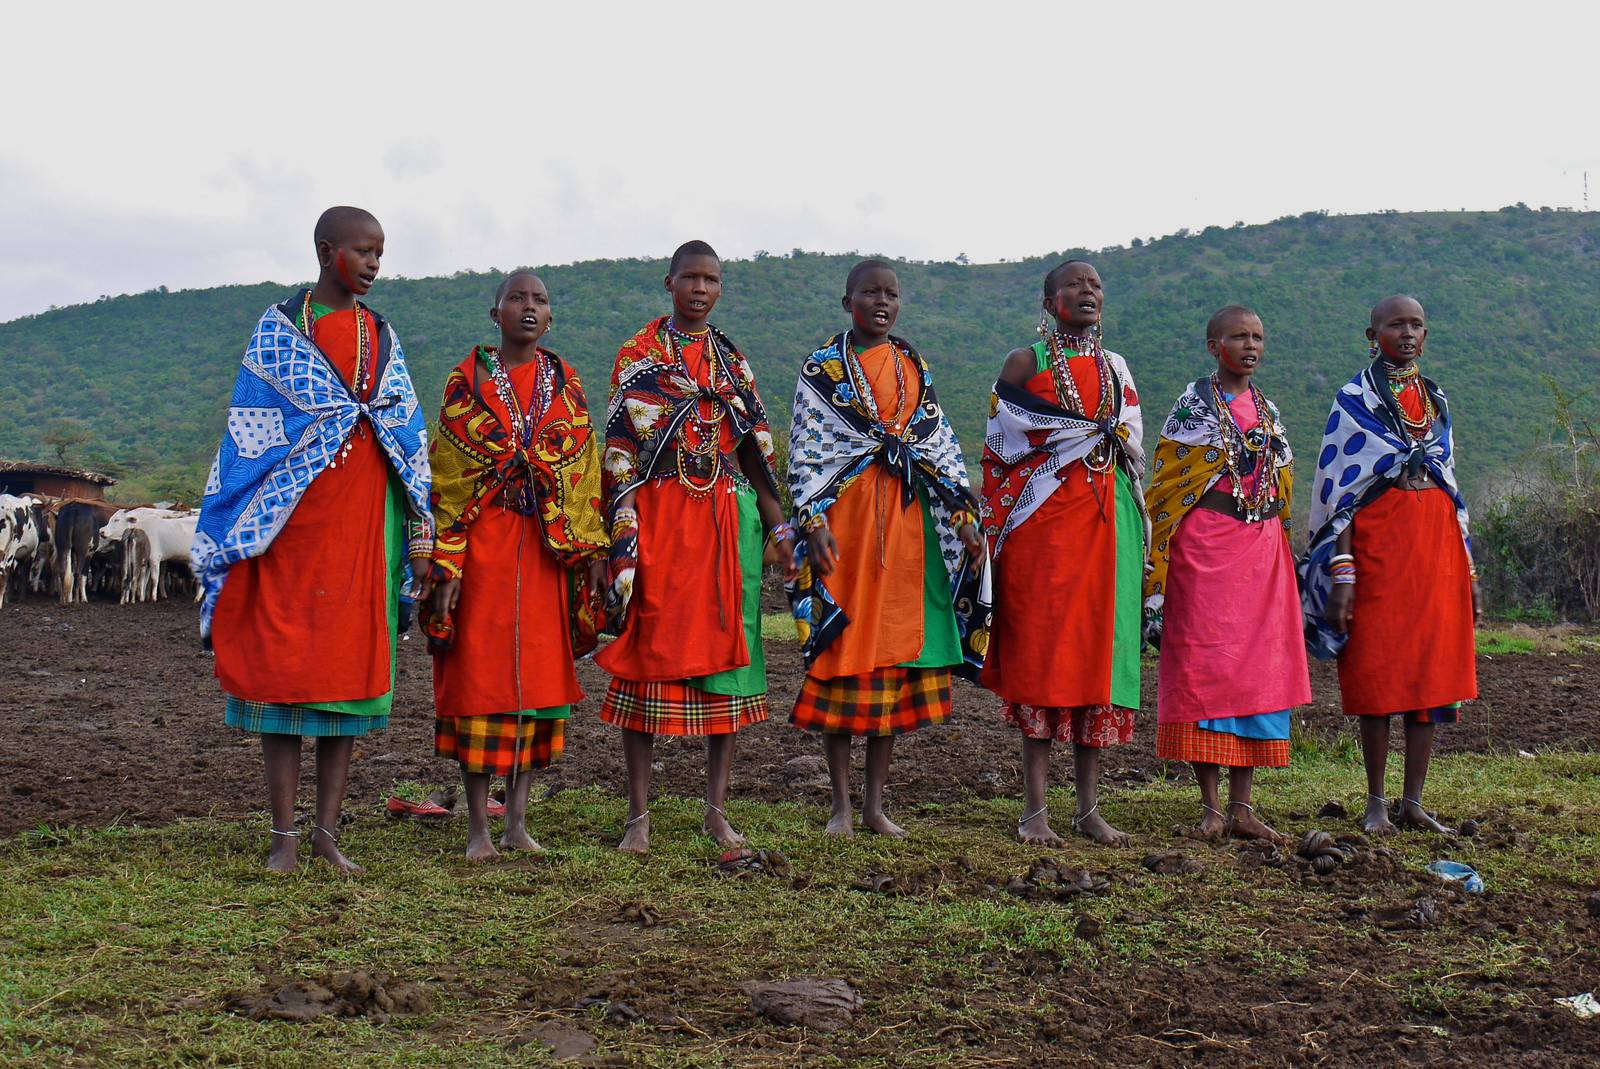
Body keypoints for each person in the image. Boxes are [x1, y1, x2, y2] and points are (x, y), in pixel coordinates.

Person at [192, 206, 433, 873]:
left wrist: (417, 533)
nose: (375, 264)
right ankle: (283, 836)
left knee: (346, 677)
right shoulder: (279, 332)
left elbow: (407, 433)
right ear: (329, 252)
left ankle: (326, 830)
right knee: (284, 673)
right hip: (290, 526)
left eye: (381, 253)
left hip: (364, 525)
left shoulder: (382, 335)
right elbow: (254, 425)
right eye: (363, 252)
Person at [595, 240, 798, 855]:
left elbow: (757, 454)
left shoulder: (733, 363)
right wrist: (623, 529)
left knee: (729, 661)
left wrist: (778, 524)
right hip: (660, 520)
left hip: (726, 523)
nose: (701, 289)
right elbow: (619, 448)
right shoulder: (638, 354)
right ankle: (638, 816)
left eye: (712, 280)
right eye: (691, 278)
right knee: (647, 650)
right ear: (669, 282)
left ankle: (716, 811)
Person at [786, 260, 984, 837]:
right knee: (840, 649)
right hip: (844, 525)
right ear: (847, 300)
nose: (882, 301)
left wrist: (963, 516)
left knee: (895, 659)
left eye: (891, 293)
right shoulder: (823, 368)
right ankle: (840, 807)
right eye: (870, 292)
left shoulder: (912, 362)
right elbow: (807, 452)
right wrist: (813, 520)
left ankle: (875, 805)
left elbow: (938, 444)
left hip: (906, 526)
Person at [420, 271, 609, 861]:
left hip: (547, 548)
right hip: (484, 547)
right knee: (481, 679)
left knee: (540, 682)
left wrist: (594, 549)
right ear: (495, 313)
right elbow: (446, 479)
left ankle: (517, 821)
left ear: (550, 317)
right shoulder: (464, 385)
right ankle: (478, 826)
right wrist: (446, 562)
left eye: (541, 300)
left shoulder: (566, 386)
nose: (530, 308)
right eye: (518, 299)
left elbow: (582, 470)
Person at [981, 260, 1147, 847]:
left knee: (1098, 657)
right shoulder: (1026, 363)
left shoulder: (1116, 367)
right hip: (1044, 529)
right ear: (1050, 300)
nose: (1088, 292)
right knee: (1047, 657)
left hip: (1109, 524)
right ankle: (1034, 812)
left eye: (1097, 284)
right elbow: (1001, 448)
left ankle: (1087, 810)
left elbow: (1129, 443)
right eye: (1075, 285)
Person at [1302, 295, 1479, 835]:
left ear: (1426, 335)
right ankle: (1375, 803)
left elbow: (1451, 487)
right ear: (1371, 333)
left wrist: (1469, 572)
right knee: (1377, 668)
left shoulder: (1436, 399)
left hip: (1436, 544)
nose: (1407, 332)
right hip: (1378, 546)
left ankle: (1413, 802)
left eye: (1416, 324)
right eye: (1395, 324)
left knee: (1430, 675)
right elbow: (1343, 497)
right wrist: (1344, 574)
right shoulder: (1354, 400)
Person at [1144, 306, 1309, 843]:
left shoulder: (1269, 410)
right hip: (1204, 548)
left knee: (1256, 672)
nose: (1251, 346)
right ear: (1214, 345)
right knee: (1206, 666)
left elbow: (1278, 485)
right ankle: (1211, 808)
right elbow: (1170, 486)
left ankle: (1242, 807)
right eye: (1239, 336)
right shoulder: (1191, 409)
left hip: (1261, 552)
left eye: (1258, 337)